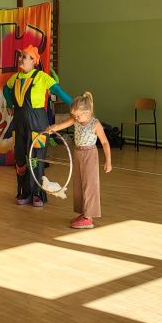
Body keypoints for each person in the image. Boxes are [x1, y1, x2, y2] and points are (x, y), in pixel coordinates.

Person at [2, 45, 72, 207]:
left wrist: (76, 106)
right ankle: (24, 192)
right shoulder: (15, 78)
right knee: (21, 159)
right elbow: (6, 89)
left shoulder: (42, 77)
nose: (21, 59)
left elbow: (59, 92)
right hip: (19, 123)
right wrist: (9, 103)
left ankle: (37, 194)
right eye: (20, 56)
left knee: (36, 159)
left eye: (25, 57)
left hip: (38, 123)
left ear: (34, 61)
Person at [46, 91, 112, 229]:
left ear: (87, 112)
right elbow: (62, 125)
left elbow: (105, 142)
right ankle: (84, 213)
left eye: (78, 115)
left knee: (89, 186)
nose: (75, 117)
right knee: (79, 185)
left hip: (90, 155)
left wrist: (108, 161)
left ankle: (88, 218)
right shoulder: (76, 120)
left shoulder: (95, 124)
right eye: (74, 115)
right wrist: (52, 128)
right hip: (78, 153)